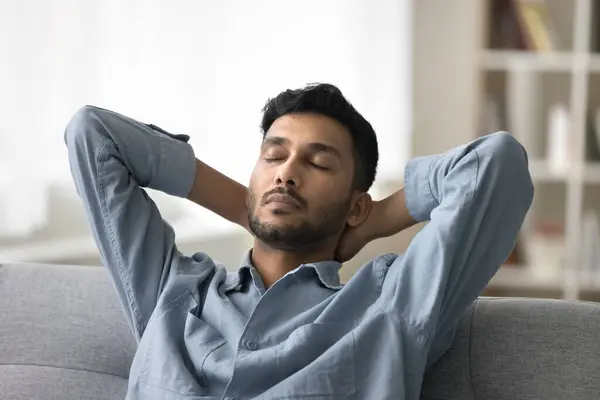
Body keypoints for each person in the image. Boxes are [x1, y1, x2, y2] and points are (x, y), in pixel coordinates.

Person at [65, 83, 533, 400]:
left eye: (319, 163)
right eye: (274, 155)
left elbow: (496, 164)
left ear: (355, 204)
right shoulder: (172, 289)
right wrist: (252, 208)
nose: (287, 172)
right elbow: (93, 133)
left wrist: (367, 226)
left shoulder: (389, 303)